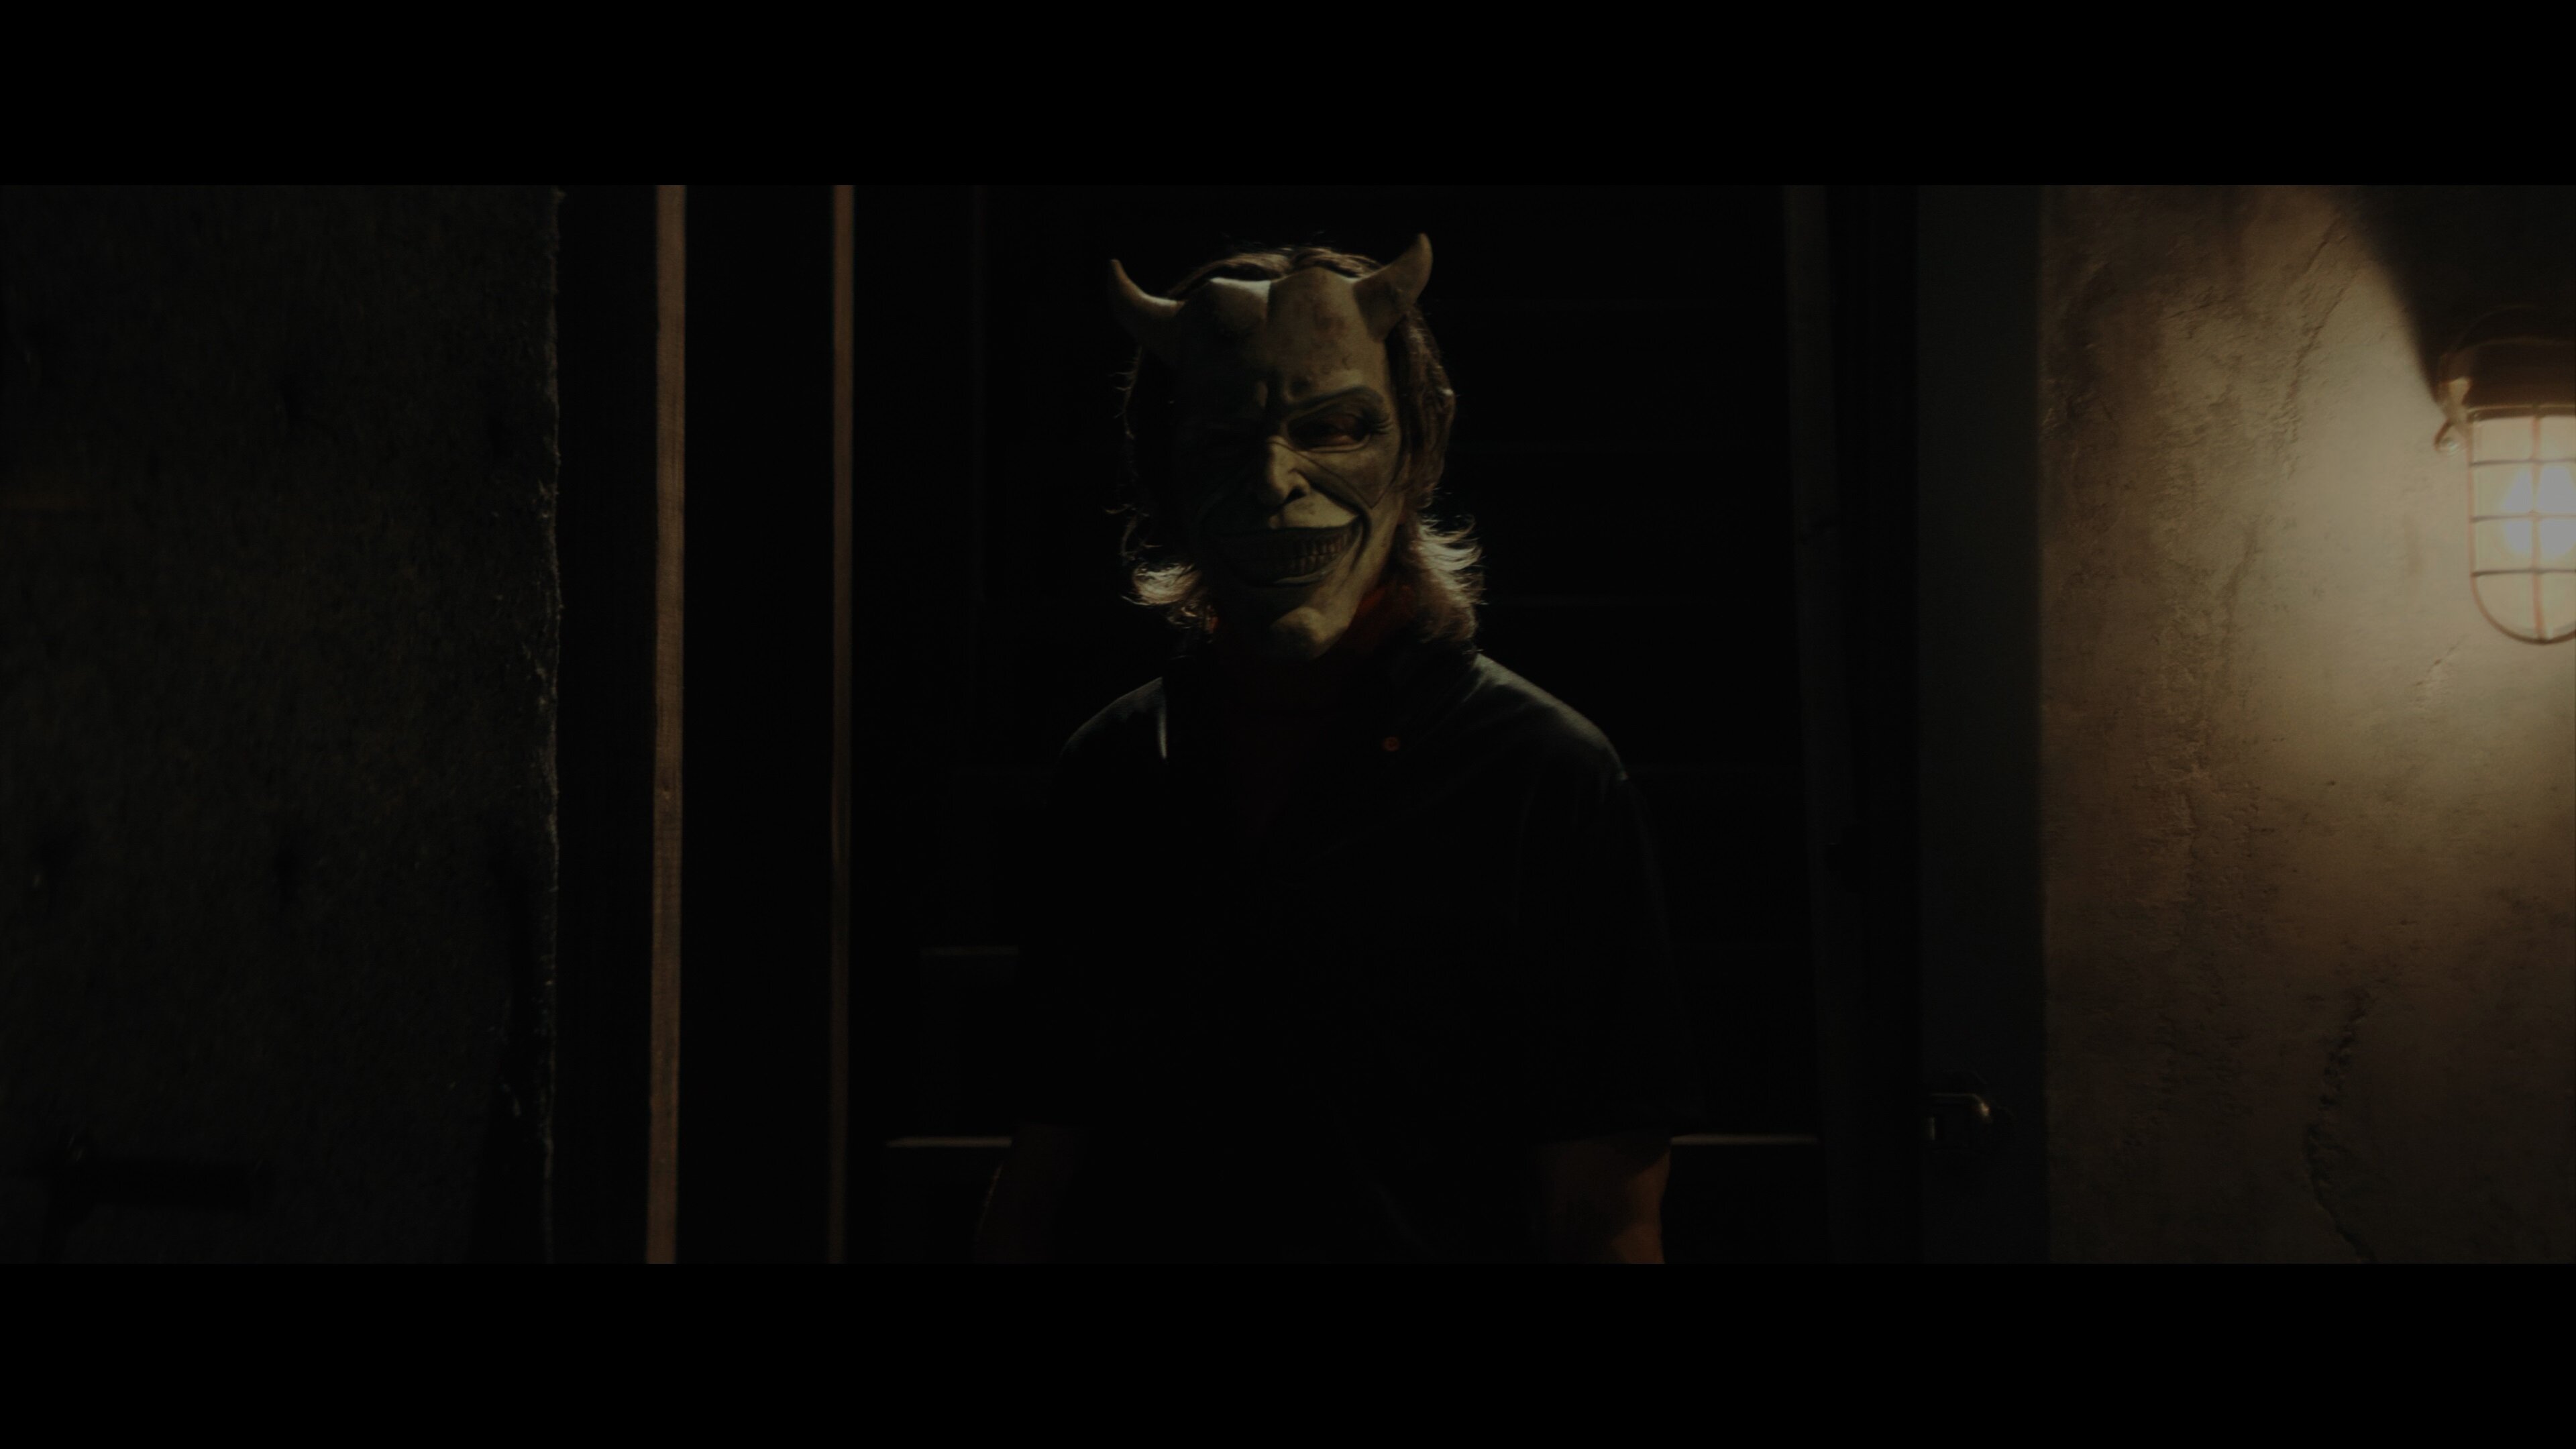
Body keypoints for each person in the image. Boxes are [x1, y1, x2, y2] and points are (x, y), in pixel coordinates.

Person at [973, 236, 1701, 1263]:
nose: (1274, 480)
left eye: (1335, 427)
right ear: (1163, 465)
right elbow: (1045, 1163)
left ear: (1419, 449)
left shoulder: (1544, 777)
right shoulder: (1117, 768)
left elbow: (1603, 1211)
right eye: (1224, 436)